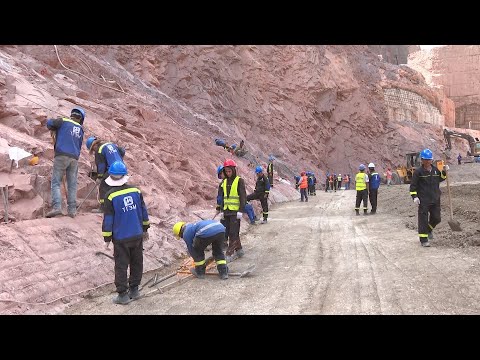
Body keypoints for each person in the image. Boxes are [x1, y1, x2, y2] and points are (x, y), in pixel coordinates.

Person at [102, 161, 150, 304]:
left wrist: (107, 237)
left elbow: (108, 218)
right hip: (137, 234)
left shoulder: (110, 196)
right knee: (137, 262)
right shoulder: (136, 191)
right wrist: (145, 229)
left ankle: (122, 295)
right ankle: (134, 290)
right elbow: (143, 212)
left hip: (121, 237)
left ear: (111, 176)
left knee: (121, 265)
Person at [46, 107, 86, 218]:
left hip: (62, 155)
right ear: (81, 119)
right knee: (72, 184)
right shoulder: (81, 129)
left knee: (56, 182)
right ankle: (72, 210)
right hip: (74, 158)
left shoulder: (63, 121)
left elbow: (49, 123)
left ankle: (57, 207)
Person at [409, 148, 448, 247]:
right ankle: (423, 240)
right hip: (423, 200)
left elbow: (441, 178)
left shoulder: (435, 170)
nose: (427, 161)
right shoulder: (418, 172)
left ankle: (429, 229)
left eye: (429, 159)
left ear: (432, 160)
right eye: (425, 159)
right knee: (423, 219)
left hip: (435, 198)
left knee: (437, 218)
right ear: (422, 160)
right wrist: (414, 197)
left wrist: (444, 172)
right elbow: (413, 186)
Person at [216, 159, 247, 262]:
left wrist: (241, 210)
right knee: (227, 232)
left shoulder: (239, 181)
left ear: (233, 170)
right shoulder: (223, 183)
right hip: (226, 211)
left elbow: (243, 196)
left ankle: (229, 253)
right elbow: (221, 197)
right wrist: (220, 209)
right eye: (226, 171)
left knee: (233, 233)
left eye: (230, 171)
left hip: (235, 212)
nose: (228, 173)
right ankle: (239, 250)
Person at [85, 136, 126, 213]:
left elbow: (101, 165)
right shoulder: (111, 144)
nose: (94, 151)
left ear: (93, 146)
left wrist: (100, 177)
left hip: (112, 169)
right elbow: (122, 151)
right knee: (118, 187)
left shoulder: (99, 150)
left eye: (93, 149)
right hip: (122, 168)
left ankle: (103, 208)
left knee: (103, 187)